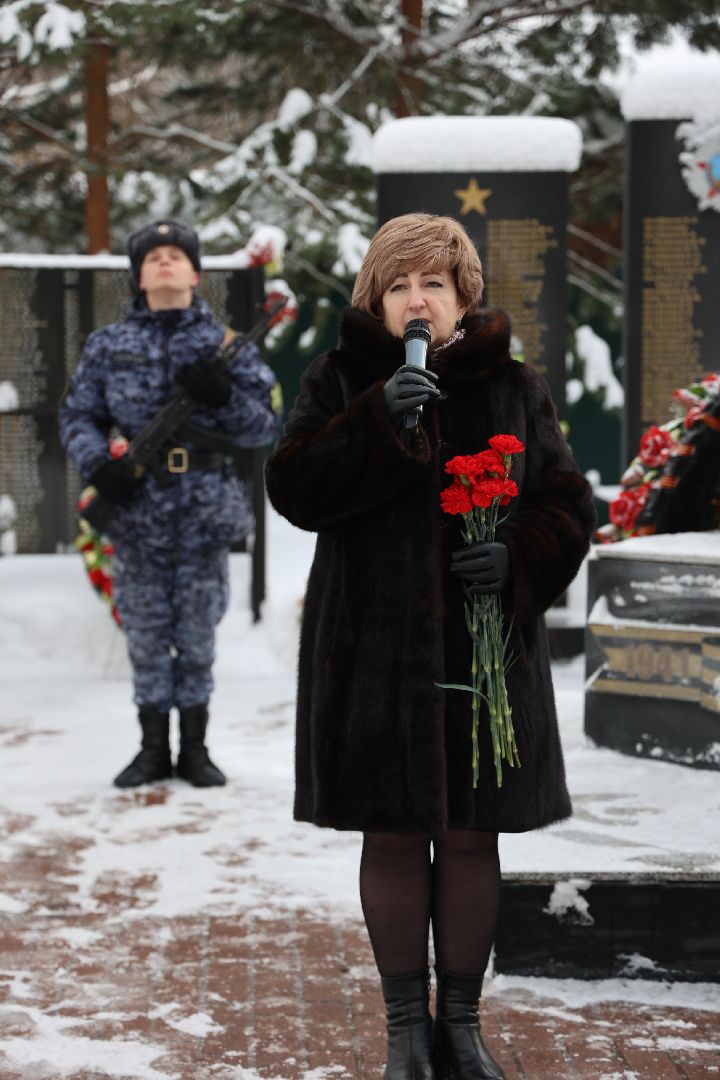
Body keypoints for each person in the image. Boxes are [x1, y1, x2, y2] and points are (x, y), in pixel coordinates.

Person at [265, 213, 595, 1080]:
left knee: (470, 837)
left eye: (435, 284)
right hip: (373, 658)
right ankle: (405, 1032)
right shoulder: (338, 378)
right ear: (377, 299)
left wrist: (519, 555)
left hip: (485, 660)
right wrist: (373, 420)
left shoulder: (516, 386)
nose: (419, 299)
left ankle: (461, 1026)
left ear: (462, 297)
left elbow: (565, 501)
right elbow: (293, 485)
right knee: (396, 837)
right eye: (401, 284)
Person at [59, 219, 282, 789]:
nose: (163, 262)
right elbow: (78, 415)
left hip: (204, 511)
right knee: (146, 631)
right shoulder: (109, 345)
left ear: (195, 273)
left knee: (198, 634)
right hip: (136, 511)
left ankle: (196, 750)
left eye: (174, 255)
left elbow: (264, 426)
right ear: (138, 274)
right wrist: (99, 466)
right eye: (152, 255)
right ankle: (152, 748)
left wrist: (224, 395)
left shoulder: (226, 346)